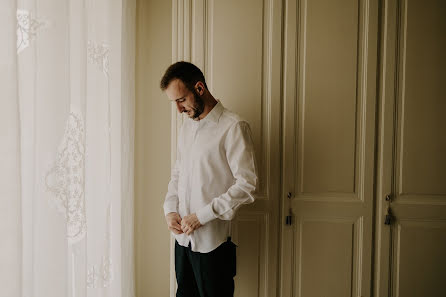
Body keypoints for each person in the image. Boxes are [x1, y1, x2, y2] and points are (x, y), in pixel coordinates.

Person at [161, 61, 258, 297]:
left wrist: (201, 217)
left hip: (212, 244)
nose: (179, 109)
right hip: (182, 243)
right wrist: (170, 209)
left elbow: (247, 185)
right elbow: (178, 173)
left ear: (199, 89)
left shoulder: (233, 126)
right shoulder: (186, 128)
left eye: (181, 100)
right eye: (174, 102)